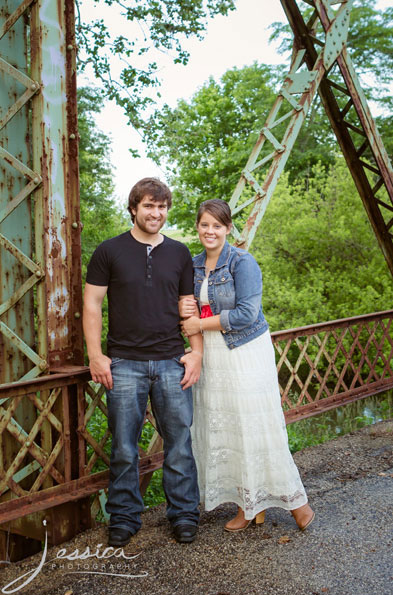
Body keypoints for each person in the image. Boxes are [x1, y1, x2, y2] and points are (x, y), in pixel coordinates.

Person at [180, 199, 314, 532]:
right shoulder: (193, 265)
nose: (210, 231)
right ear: (197, 227)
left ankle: (299, 505)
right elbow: (186, 309)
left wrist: (199, 326)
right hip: (213, 355)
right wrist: (189, 325)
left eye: (217, 225)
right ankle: (250, 506)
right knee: (230, 430)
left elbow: (246, 315)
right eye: (204, 224)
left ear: (227, 229)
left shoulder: (242, 261)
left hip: (244, 353)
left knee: (257, 428)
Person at [83, 178, 203, 546]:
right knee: (123, 446)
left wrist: (196, 351)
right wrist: (95, 355)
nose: (157, 213)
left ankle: (183, 515)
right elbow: (91, 305)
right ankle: (124, 517)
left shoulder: (180, 253)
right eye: (149, 206)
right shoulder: (109, 251)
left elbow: (190, 308)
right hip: (124, 363)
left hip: (170, 361)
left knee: (180, 443)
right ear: (134, 208)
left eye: (162, 206)